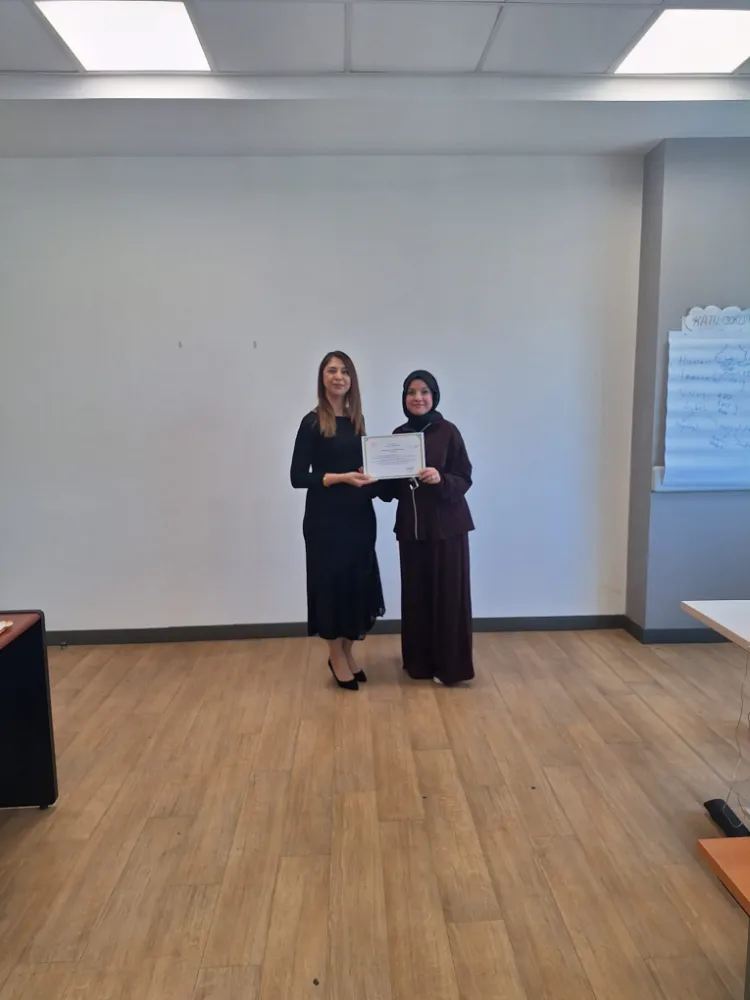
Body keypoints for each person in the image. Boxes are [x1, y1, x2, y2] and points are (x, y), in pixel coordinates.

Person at [290, 351, 384, 690]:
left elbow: (363, 468)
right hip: (325, 520)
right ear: (322, 378)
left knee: (355, 585)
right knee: (330, 585)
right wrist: (339, 478)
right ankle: (335, 655)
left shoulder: (358, 421)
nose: (338, 376)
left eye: (344, 371)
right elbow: (298, 477)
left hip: (359, 517)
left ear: (351, 379)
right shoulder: (312, 422)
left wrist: (374, 475)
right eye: (331, 370)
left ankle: (346, 651)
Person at [379, 370, 474, 685]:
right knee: (416, 596)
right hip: (412, 530)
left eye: (424, 391)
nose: (417, 398)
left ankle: (451, 668)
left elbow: (464, 477)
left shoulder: (448, 431)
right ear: (404, 398)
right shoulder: (398, 435)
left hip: (448, 529)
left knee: (449, 597)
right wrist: (374, 475)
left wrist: (440, 478)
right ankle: (419, 664)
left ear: (434, 396)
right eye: (411, 392)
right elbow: (391, 490)